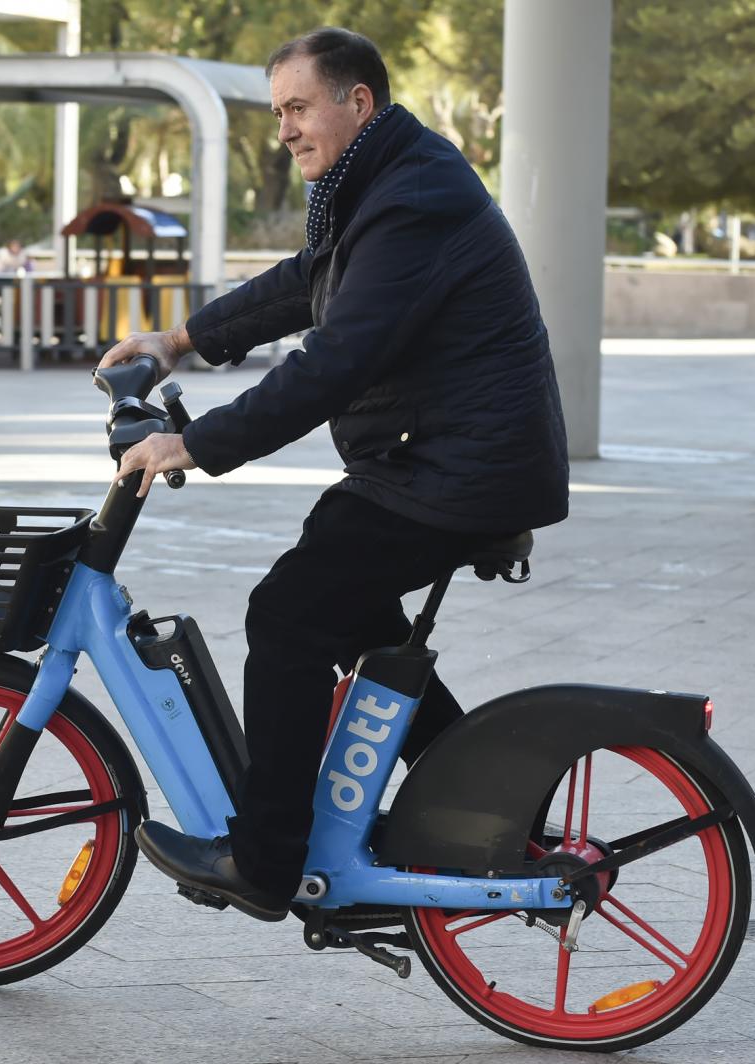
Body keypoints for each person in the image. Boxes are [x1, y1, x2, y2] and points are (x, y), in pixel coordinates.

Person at [99, 27, 570, 922]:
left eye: (299, 107)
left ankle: (266, 860)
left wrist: (195, 445)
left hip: (457, 470)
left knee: (287, 615)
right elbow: (305, 280)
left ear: (358, 103)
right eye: (278, 111)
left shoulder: (414, 196)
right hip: (435, 461)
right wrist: (181, 341)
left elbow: (336, 358)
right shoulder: (385, 183)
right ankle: (486, 807)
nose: (285, 129)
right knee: (349, 612)